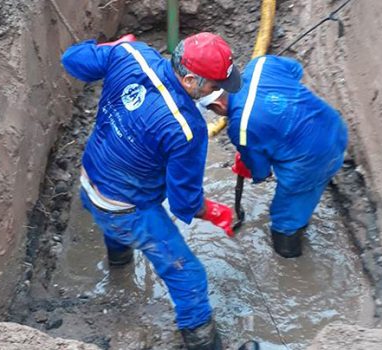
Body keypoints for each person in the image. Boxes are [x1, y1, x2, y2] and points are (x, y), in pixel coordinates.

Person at [61, 32, 242, 350]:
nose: (221, 96)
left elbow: (71, 60)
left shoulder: (132, 54)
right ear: (189, 80)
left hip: (90, 181)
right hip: (127, 210)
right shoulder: (188, 130)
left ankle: (119, 268)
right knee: (190, 277)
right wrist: (215, 212)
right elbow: (184, 203)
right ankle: (204, 344)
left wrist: (113, 47)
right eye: (215, 87)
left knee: (115, 229)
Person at [198, 55, 348, 259]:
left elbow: (260, 172)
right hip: (335, 129)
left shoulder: (241, 128)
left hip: (309, 161)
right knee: (310, 188)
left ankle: (290, 255)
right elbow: (295, 70)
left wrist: (249, 163)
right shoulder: (262, 65)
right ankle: (303, 213)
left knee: (285, 215)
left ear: (218, 106)